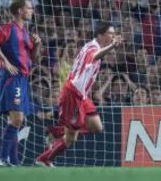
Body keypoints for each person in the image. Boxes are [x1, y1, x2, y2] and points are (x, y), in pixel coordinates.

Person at [35, 21, 123, 167]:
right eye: (111, 34)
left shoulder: (92, 45)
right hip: (73, 93)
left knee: (97, 127)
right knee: (71, 138)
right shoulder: (93, 48)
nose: (113, 36)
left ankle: (56, 131)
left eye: (114, 34)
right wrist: (112, 46)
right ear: (101, 35)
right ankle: (44, 159)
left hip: (82, 95)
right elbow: (94, 57)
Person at [0, 0, 41, 166]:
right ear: (19, 10)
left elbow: (34, 59)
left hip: (23, 79)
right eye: (29, 8)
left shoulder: (25, 32)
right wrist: (5, 61)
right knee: (17, 119)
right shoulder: (9, 28)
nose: (32, 11)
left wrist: (37, 45)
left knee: (17, 120)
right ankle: (2, 159)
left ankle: (13, 162)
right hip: (13, 78)